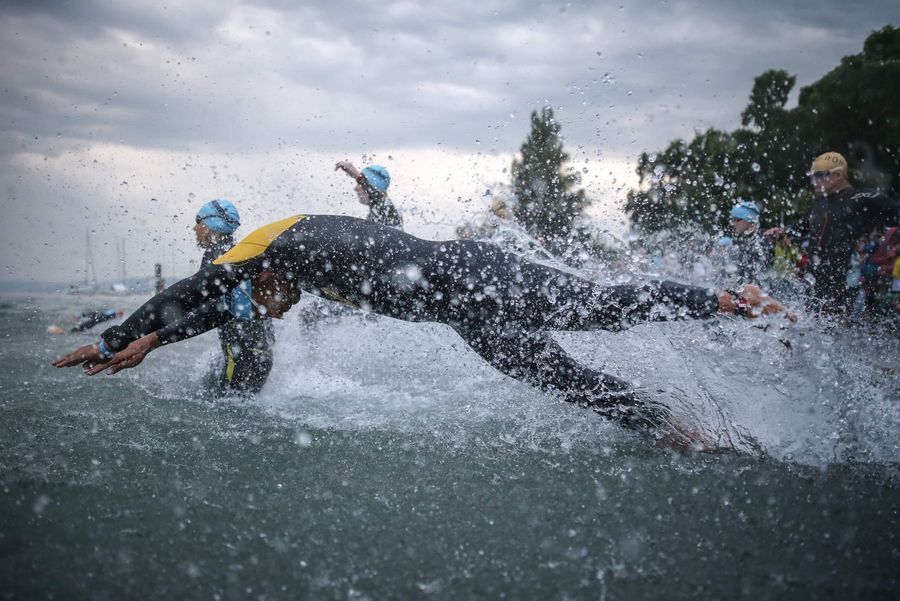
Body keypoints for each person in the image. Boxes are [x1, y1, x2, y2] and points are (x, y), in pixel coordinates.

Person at [53, 214, 793, 450]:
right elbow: (215, 305)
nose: (277, 310)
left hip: (478, 274)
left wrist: (123, 334)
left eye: (266, 299)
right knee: (570, 382)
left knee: (601, 308)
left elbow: (203, 284)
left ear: (253, 265)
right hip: (467, 313)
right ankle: (678, 429)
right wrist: (152, 341)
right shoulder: (284, 269)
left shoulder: (268, 244)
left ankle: (728, 298)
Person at [768, 152, 899, 314]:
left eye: (819, 176)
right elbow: (801, 227)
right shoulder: (818, 203)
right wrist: (781, 233)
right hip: (816, 286)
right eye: (812, 176)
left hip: (847, 286)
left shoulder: (862, 198)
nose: (814, 181)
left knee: (845, 334)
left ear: (837, 175)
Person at [193, 199, 275, 396]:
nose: (194, 228)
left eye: (198, 221)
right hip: (262, 353)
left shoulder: (215, 255)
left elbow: (202, 301)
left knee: (225, 409)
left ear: (210, 224)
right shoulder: (242, 252)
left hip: (240, 356)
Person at [335, 161, 403, 229]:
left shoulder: (385, 206)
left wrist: (358, 176)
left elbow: (377, 195)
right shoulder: (377, 211)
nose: (356, 188)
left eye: (359, 184)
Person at [726, 199, 771, 287]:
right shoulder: (746, 242)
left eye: (736, 219)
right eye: (732, 219)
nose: (733, 223)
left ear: (750, 221)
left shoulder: (760, 243)